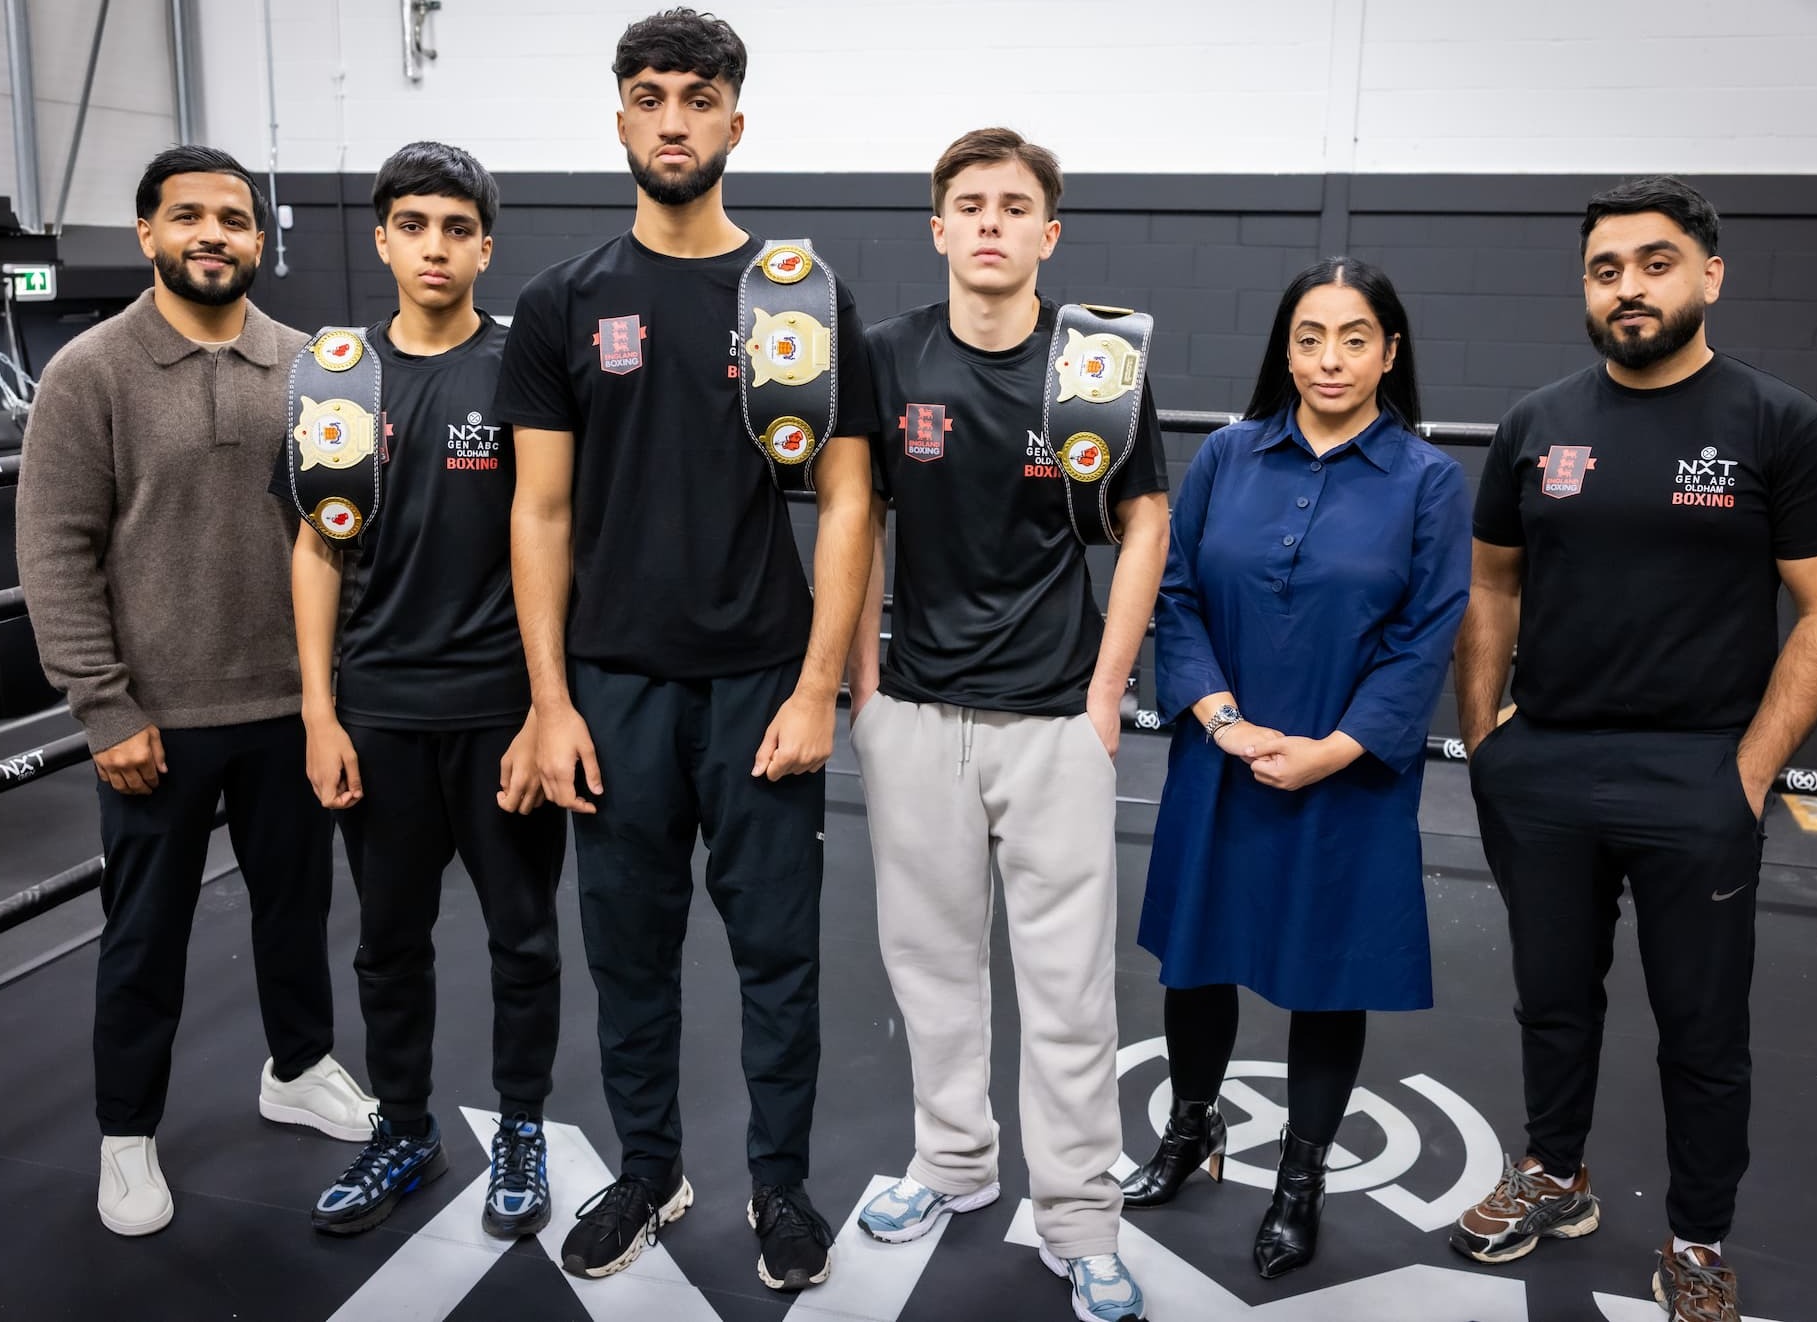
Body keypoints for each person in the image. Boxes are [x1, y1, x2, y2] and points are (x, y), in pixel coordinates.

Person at [492, 8, 877, 1294]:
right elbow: (537, 512)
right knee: (629, 954)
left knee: (778, 959)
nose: (672, 118)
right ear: (619, 118)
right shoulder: (563, 302)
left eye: (696, 98)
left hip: (765, 684)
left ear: (734, 121)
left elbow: (847, 504)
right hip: (611, 691)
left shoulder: (802, 298)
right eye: (649, 96)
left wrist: (821, 684)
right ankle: (650, 1168)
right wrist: (547, 701)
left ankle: (779, 1185)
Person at [1449, 176, 1817, 1322]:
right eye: (1604, 269)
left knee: (1700, 1026)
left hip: (1696, 774)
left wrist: (1750, 766)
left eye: (1652, 262)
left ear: (1706, 275)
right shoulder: (1536, 423)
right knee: (1550, 999)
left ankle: (1695, 1235)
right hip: (1545, 768)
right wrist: (1483, 736)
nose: (1626, 286)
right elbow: (1490, 583)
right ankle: (1555, 1172)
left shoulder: (1777, 425)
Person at [15, 145, 375, 1238]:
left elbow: (343, 535)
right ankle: (127, 1136)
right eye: (188, 218)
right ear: (148, 235)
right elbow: (55, 549)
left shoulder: (317, 364)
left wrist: (334, 692)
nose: (213, 234)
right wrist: (104, 706)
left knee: (296, 911)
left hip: (290, 703)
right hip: (155, 719)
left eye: (233, 218)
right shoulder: (90, 371)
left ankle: (299, 1064)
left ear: (261, 241)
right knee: (144, 937)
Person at [848, 128, 1169, 1322]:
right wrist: (856, 681)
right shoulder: (882, 358)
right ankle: (952, 1161)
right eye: (967, 204)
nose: (988, 221)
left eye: (1013, 204)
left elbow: (1144, 521)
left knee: (1068, 988)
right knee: (929, 966)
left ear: (1049, 232)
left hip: (1051, 724)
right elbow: (851, 514)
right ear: (936, 229)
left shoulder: (1093, 365)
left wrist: (1103, 692)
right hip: (916, 712)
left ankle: (1080, 1217)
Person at [1124, 257, 1470, 1281]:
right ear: (1283, 346)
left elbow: (1425, 633)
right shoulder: (1228, 457)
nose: (1329, 357)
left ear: (1388, 352)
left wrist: (1332, 748)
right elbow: (1175, 593)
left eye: (1353, 336)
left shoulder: (1426, 479)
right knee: (1196, 956)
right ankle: (1192, 1131)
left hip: (1347, 768)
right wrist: (1221, 719)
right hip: (1219, 754)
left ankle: (1300, 1178)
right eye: (1310, 335)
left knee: (1325, 975)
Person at [273, 142, 568, 1240]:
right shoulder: (335, 371)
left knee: (522, 937)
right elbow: (314, 547)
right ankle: (403, 1126)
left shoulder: (523, 366)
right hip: (379, 713)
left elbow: (558, 531)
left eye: (456, 227)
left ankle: (523, 1126)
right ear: (382, 237)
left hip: (500, 710)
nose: (434, 246)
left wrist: (549, 706)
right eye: (413, 225)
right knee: (387, 940)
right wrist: (317, 708)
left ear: (485, 244)